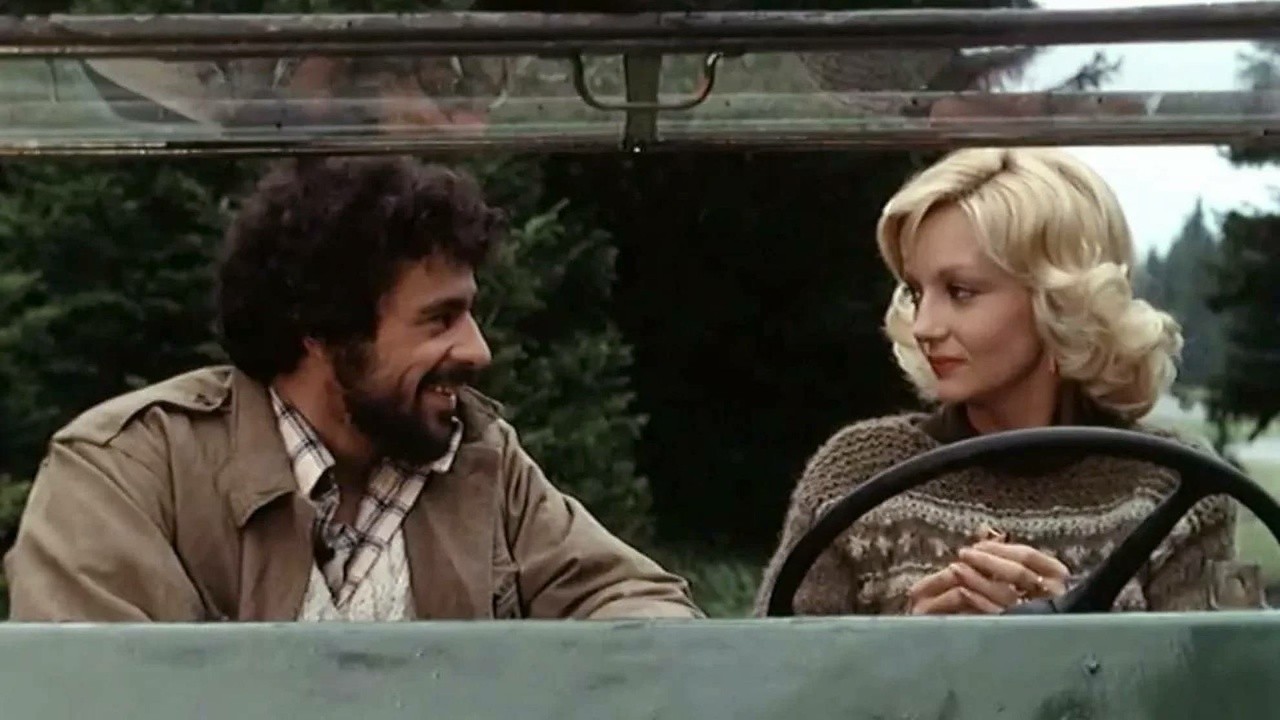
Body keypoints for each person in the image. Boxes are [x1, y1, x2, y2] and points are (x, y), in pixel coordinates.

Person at [5, 156, 703, 623]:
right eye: (440, 319)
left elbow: (639, 609)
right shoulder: (124, 472)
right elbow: (96, 693)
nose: (478, 350)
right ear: (321, 330)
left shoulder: (481, 462)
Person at [753, 146, 1258, 617]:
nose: (925, 326)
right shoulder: (856, 475)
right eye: (916, 291)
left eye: (960, 291)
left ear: (1060, 302)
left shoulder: (1174, 490)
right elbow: (774, 670)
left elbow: (1215, 678)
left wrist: (1076, 637)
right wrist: (910, 645)